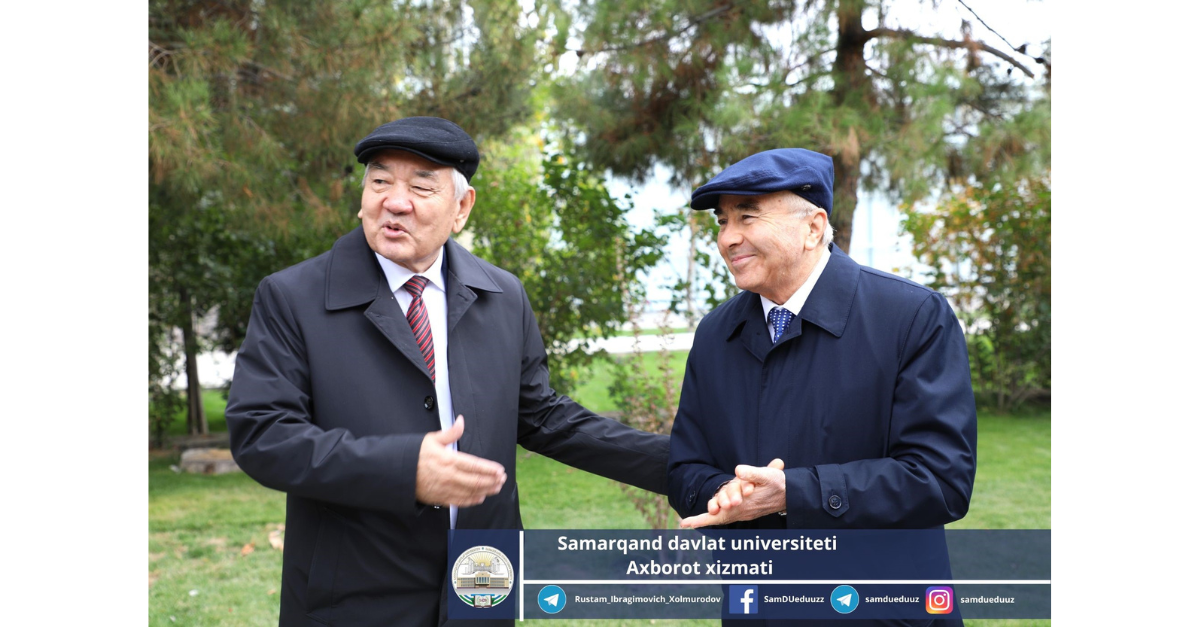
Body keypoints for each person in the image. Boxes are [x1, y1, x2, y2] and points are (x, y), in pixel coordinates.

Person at [226, 116, 669, 627]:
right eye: (380, 181)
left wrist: (680, 468)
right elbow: (263, 436)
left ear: (462, 208)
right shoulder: (292, 297)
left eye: (420, 186)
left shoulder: (502, 297)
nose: (395, 200)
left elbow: (544, 418)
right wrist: (403, 469)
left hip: (482, 590)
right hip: (353, 600)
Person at [668, 147, 976, 531]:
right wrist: (727, 491)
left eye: (747, 216)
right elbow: (683, 466)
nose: (728, 238)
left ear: (813, 228)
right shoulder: (715, 333)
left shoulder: (912, 317)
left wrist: (794, 493)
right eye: (723, 221)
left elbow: (941, 481)